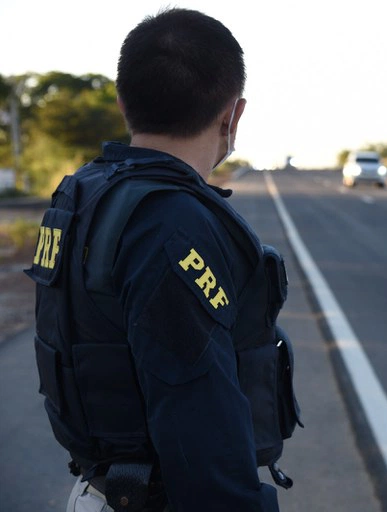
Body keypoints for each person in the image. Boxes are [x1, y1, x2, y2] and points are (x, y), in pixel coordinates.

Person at [25, 8, 300, 512]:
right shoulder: (170, 223)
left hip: (99, 488)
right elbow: (197, 416)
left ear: (123, 102)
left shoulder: (82, 194)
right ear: (232, 115)